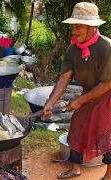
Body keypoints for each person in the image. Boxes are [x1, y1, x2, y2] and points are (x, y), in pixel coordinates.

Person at [42, 2, 111, 179]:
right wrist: (50, 103)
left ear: (92, 26)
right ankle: (75, 169)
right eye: (73, 26)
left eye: (78, 26)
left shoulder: (106, 47)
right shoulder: (73, 50)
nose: (74, 30)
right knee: (77, 128)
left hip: (108, 94)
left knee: (106, 134)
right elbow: (64, 78)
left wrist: (80, 100)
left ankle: (109, 174)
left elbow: (107, 84)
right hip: (89, 93)